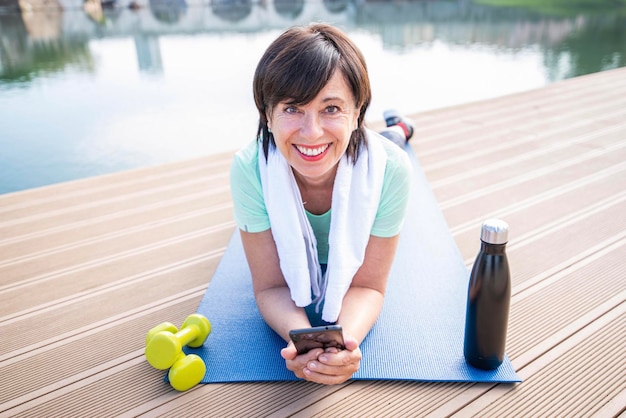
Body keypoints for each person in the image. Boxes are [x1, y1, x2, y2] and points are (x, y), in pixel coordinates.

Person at [230, 23, 413, 385]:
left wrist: (344, 344)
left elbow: (368, 286)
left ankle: (402, 128)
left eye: (331, 108)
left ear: (358, 112)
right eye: (292, 108)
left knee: (394, 140)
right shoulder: (250, 170)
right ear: (267, 114)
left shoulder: (389, 171)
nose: (311, 131)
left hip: (370, 145)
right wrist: (304, 344)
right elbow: (270, 287)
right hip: (340, 143)